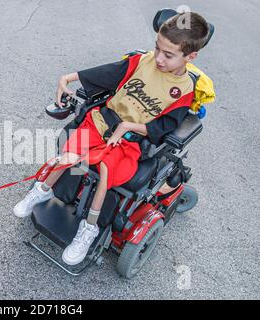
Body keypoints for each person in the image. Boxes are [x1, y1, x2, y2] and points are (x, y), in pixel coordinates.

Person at [14, 12, 211, 266]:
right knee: (71, 152)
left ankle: (89, 229)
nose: (159, 59)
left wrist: (130, 125)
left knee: (106, 169)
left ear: (190, 57)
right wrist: (67, 78)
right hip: (101, 121)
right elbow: (107, 73)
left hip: (131, 140)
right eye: (157, 48)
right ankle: (42, 192)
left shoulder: (182, 90)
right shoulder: (143, 61)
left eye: (168, 55)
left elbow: (166, 125)